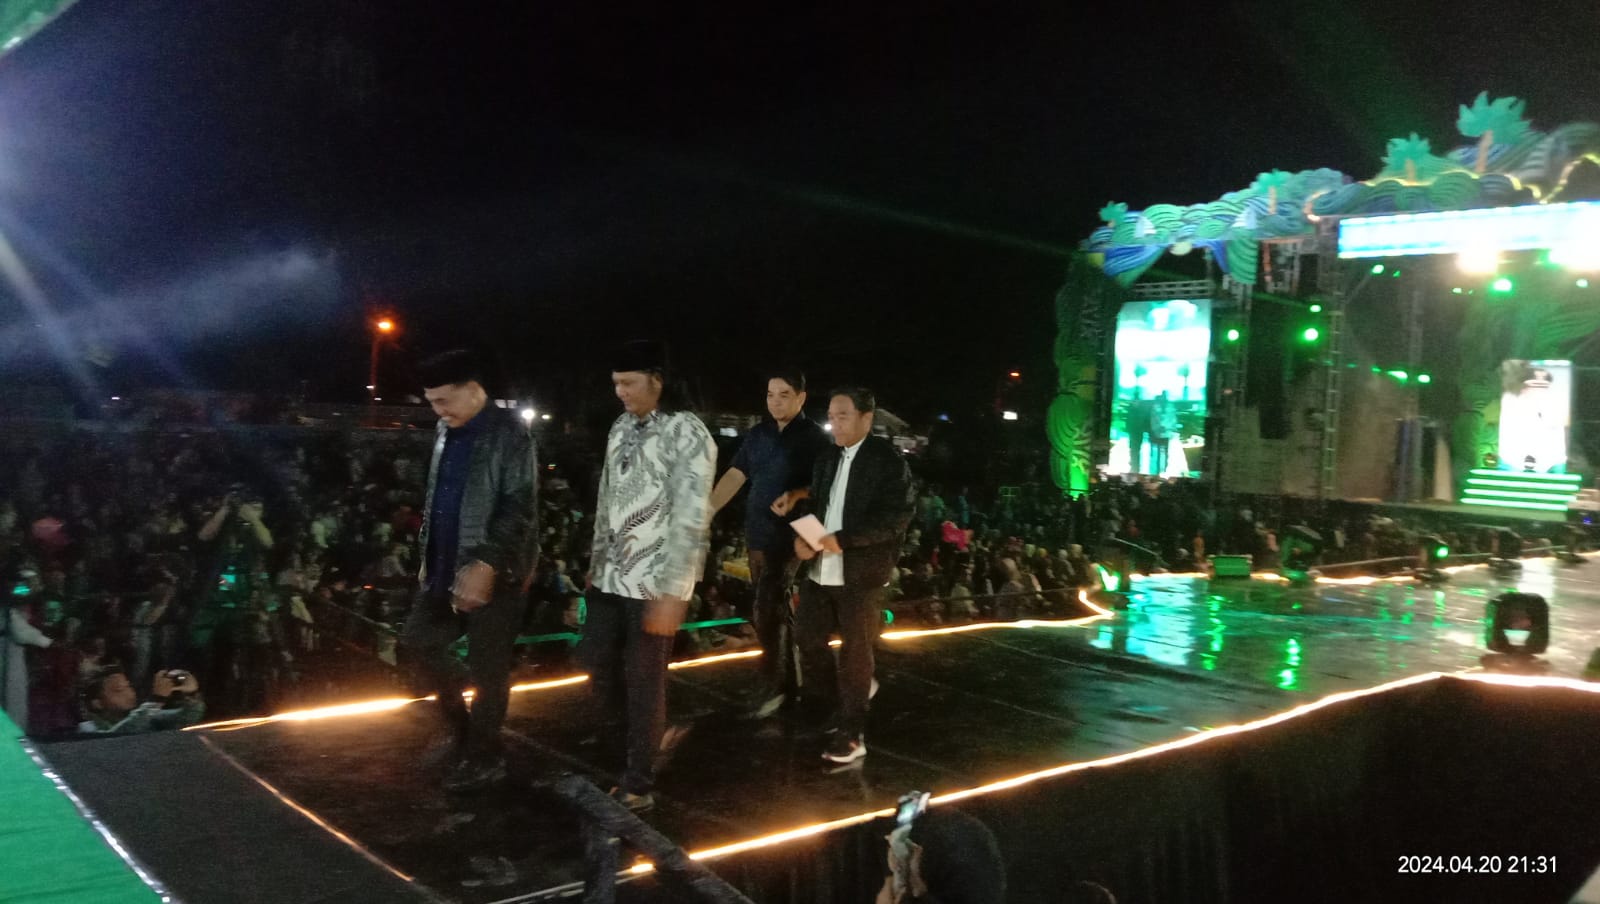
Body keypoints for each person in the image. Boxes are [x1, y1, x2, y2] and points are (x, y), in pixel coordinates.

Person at [584, 339, 715, 812]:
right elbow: (607, 497)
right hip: (611, 575)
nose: (620, 392)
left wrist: (675, 590)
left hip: (655, 581)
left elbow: (693, 514)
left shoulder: (688, 432)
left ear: (657, 381)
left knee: (644, 681)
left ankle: (640, 780)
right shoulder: (621, 426)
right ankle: (641, 741)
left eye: (629, 382)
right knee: (596, 662)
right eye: (615, 383)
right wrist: (596, 561)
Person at [401, 349, 539, 793]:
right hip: (444, 565)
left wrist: (487, 562)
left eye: (444, 400)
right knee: (418, 643)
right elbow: (436, 498)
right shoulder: (445, 430)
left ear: (474, 390)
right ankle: (462, 733)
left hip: (495, 571)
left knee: (488, 670)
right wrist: (428, 556)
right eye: (432, 403)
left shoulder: (510, 433)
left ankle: (484, 756)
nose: (438, 411)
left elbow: (520, 505)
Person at [793, 388, 913, 764]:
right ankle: (838, 703)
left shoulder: (887, 461)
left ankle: (851, 733)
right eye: (832, 416)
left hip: (861, 572)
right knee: (807, 637)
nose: (835, 424)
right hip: (821, 568)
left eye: (843, 415)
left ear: (866, 417)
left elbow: (896, 516)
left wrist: (842, 540)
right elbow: (816, 504)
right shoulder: (828, 456)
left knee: (855, 651)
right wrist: (806, 538)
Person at [708, 369, 828, 717]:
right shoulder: (758, 434)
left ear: (801, 397)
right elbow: (736, 474)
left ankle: (774, 685)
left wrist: (798, 494)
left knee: (769, 604)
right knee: (770, 607)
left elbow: (827, 486)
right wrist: (708, 510)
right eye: (770, 394)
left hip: (795, 532)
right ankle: (789, 681)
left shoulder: (814, 439)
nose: (775, 401)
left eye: (784, 394)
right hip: (758, 531)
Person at [78, 666, 205, 734]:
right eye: (119, 690)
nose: (129, 693)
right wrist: (156, 701)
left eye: (128, 686)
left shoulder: (148, 717)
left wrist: (190, 694)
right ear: (98, 703)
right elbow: (116, 739)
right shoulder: (87, 729)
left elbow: (186, 717)